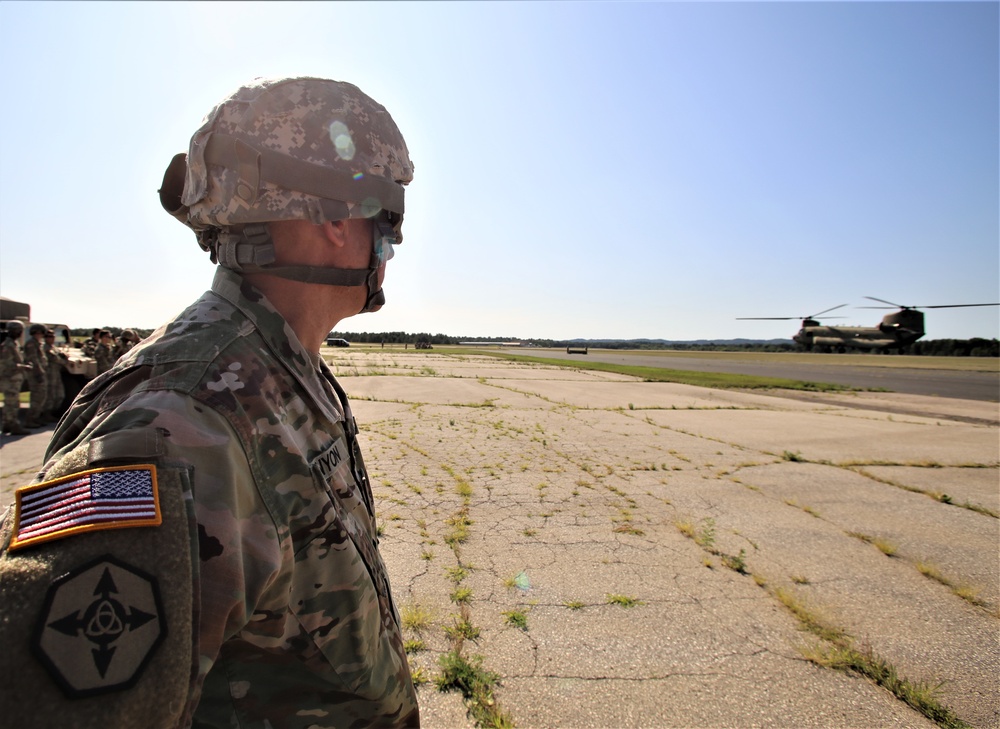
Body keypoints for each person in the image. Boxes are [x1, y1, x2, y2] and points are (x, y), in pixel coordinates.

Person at [0, 76, 418, 728]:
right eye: (386, 220)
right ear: (338, 218)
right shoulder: (182, 423)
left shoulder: (282, 375)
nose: (389, 247)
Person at [0, 321, 32, 434]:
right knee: (12, 403)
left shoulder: (13, 344)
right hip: (10, 379)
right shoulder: (8, 345)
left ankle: (6, 425)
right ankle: (13, 426)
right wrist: (23, 367)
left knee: (10, 402)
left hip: (13, 378)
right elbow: (5, 364)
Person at [22, 323, 49, 426]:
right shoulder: (31, 344)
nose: (41, 334)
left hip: (40, 373)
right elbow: (34, 360)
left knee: (42, 396)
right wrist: (39, 373)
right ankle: (30, 419)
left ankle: (36, 417)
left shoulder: (38, 343)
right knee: (36, 397)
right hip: (35, 374)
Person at [42, 328, 68, 420]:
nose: (51, 338)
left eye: (52, 336)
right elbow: (56, 359)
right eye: (48, 336)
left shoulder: (54, 347)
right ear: (45, 338)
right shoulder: (45, 348)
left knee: (60, 395)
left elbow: (61, 356)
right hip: (49, 374)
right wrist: (64, 360)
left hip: (56, 373)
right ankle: (46, 414)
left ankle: (51, 412)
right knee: (50, 395)